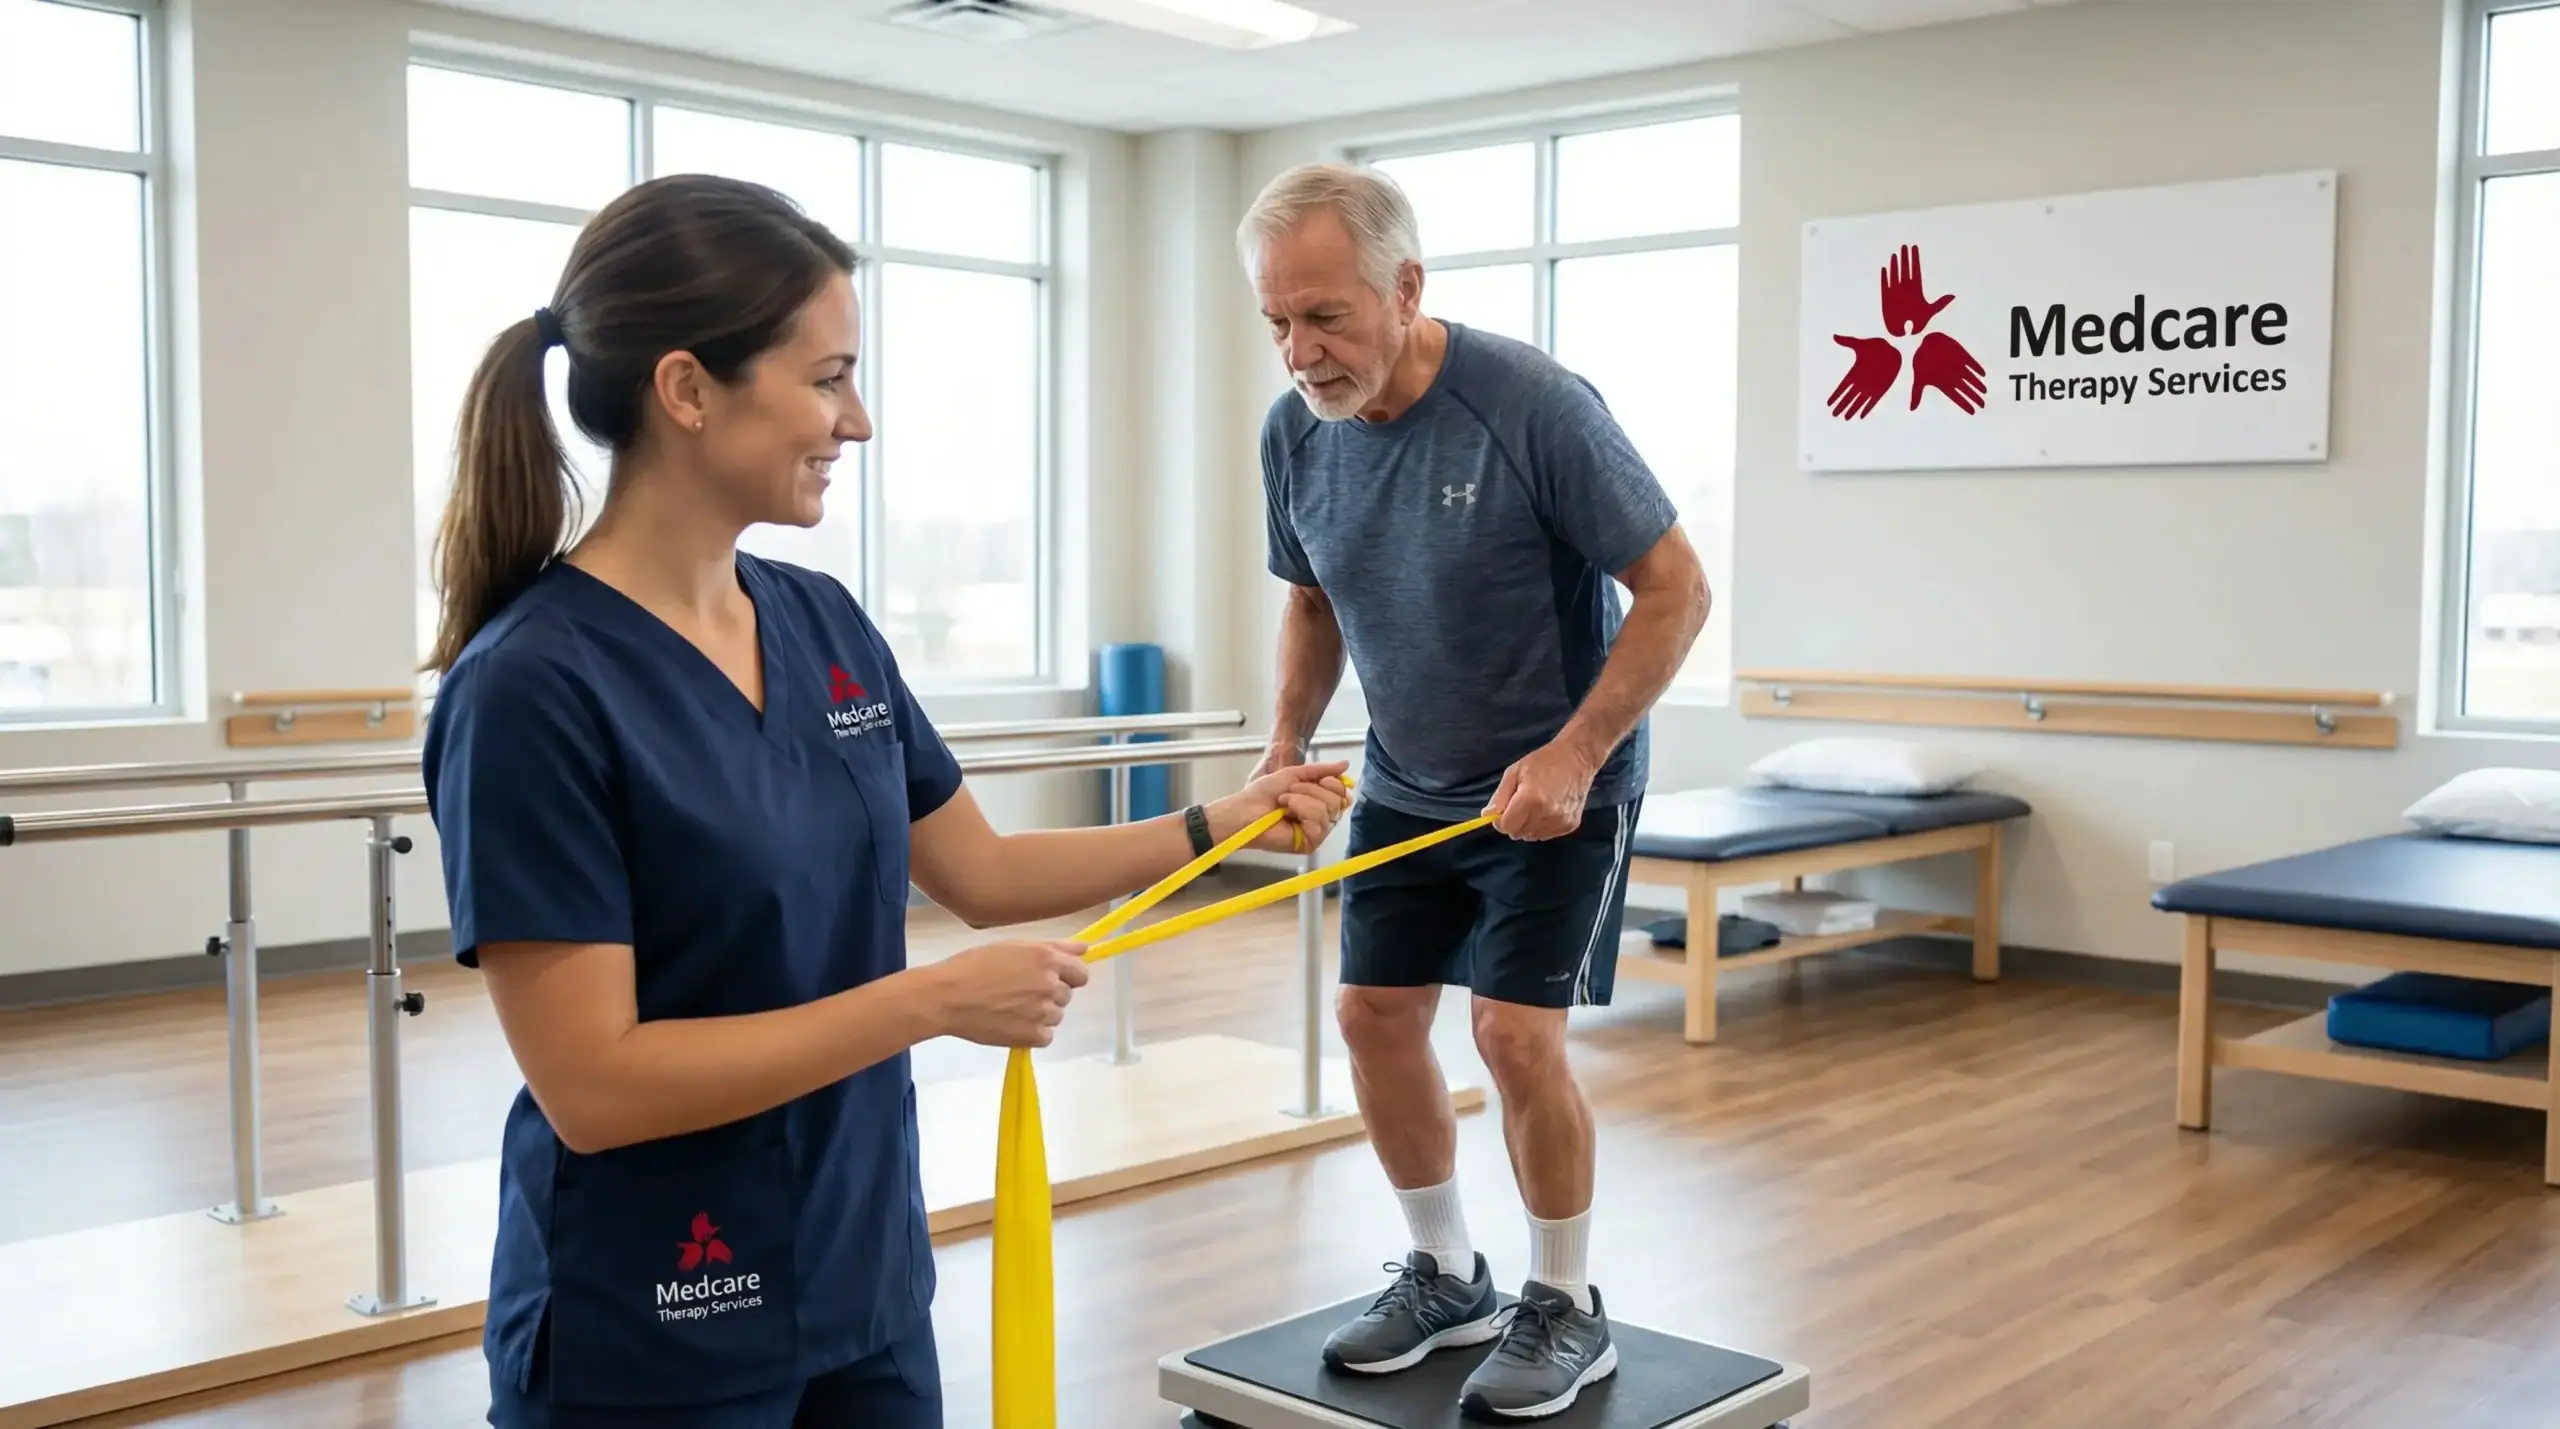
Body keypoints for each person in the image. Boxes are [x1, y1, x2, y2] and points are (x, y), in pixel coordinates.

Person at [418, 172, 1349, 1429]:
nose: (855, 422)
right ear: (687, 390)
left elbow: (981, 872)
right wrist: (930, 1002)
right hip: (654, 1317)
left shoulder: (820, 622)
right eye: (827, 378)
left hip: (862, 1276)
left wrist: (1213, 823)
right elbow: (597, 1084)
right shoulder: (530, 687)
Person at [1236, 163, 1711, 1421]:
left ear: (1405, 288)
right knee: (1372, 1016)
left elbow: (1676, 589)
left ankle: (1566, 1299)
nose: (1299, 352)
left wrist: (1575, 753)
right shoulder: (1295, 431)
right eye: (1277, 322)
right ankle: (1447, 1273)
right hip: (1407, 780)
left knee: (1511, 1035)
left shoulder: (1532, 404)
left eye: (1325, 316)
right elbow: (1312, 598)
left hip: (1556, 786)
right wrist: (1285, 740)